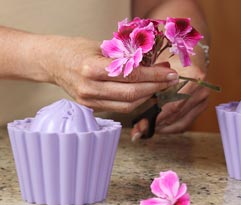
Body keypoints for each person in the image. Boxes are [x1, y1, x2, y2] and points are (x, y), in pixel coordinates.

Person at [0, 0, 211, 139]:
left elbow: (165, 2)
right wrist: (46, 56)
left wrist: (183, 52)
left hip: (124, 143)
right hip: (9, 149)